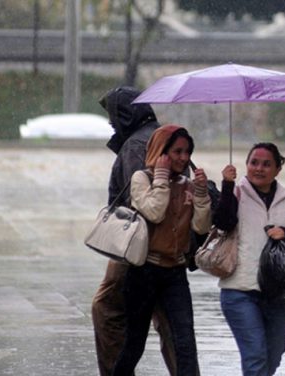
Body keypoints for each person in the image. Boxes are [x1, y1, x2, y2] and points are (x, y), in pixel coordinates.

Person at [92, 86, 181, 376]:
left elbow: (138, 201)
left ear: (126, 115)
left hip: (137, 244)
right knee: (168, 320)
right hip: (169, 243)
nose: (111, 123)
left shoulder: (135, 145)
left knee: (106, 308)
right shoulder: (161, 136)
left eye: (114, 115)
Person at [112, 125, 212, 375]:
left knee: (185, 342)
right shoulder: (141, 179)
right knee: (134, 344)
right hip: (143, 271)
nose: (183, 158)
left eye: (187, 152)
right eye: (176, 151)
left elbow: (201, 227)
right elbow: (155, 212)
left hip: (175, 273)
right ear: (160, 151)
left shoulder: (188, 185)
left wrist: (201, 193)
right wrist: (161, 177)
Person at [213, 142, 285, 376]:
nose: (259, 168)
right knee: (255, 356)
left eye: (267, 164)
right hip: (240, 291)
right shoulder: (236, 193)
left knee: (273, 355)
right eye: (254, 163)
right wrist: (227, 185)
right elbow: (223, 222)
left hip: (279, 295)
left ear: (278, 169)